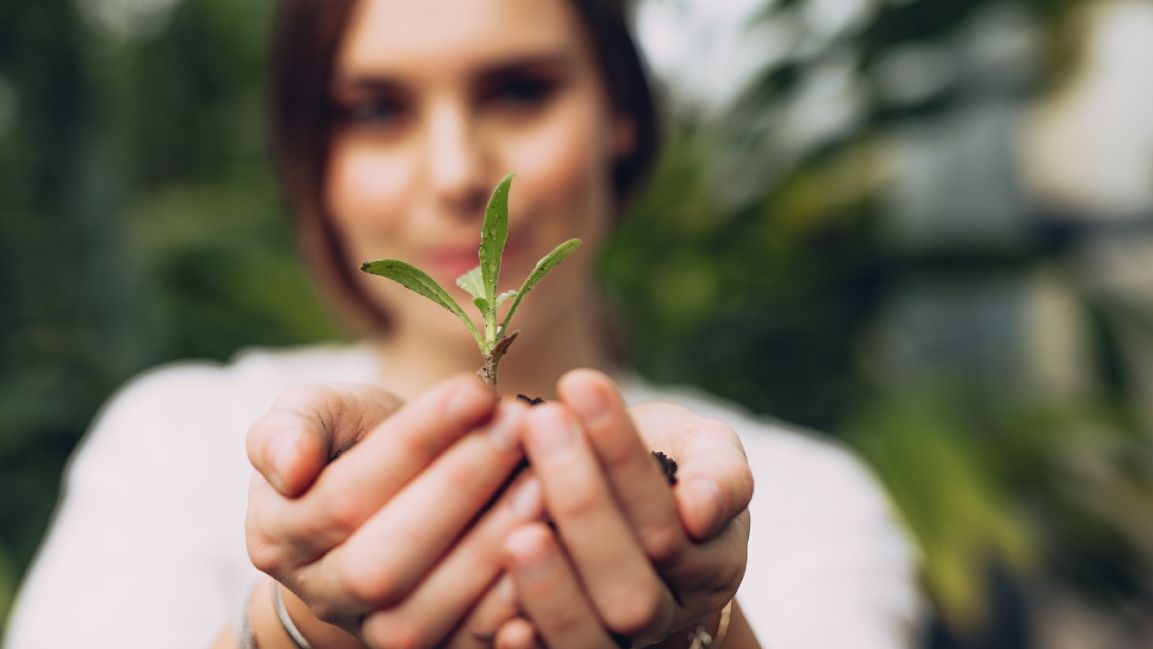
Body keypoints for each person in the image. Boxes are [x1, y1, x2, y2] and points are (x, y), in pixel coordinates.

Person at [3, 0, 920, 647]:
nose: (454, 172)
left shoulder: (783, 497)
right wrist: (293, 631)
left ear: (622, 117)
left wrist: (703, 628)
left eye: (518, 90)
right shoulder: (180, 444)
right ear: (314, 156)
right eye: (376, 110)